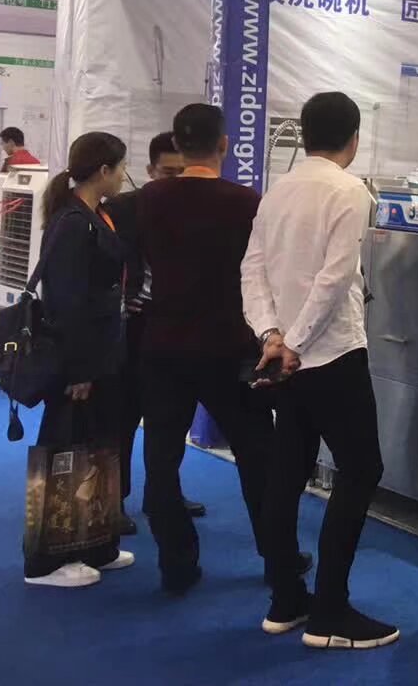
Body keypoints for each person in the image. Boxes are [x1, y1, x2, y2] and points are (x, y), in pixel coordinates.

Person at [243, 92, 397, 651]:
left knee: (288, 470)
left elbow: (252, 270)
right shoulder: (349, 190)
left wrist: (272, 335)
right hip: (332, 355)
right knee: (361, 470)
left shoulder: (277, 190)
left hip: (288, 359)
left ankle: (286, 597)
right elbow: (334, 279)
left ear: (304, 134)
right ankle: (330, 610)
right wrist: (296, 343)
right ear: (354, 139)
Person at [136, 104, 277, 595]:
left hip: (164, 345)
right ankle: (277, 557)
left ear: (176, 144)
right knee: (258, 458)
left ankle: (176, 561)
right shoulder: (246, 202)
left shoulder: (148, 199)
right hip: (229, 346)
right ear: (224, 144)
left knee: (161, 461)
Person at [24, 132, 135, 587]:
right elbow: (66, 302)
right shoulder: (72, 222)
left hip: (103, 356)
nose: (125, 176)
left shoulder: (94, 215)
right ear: (104, 170)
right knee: (62, 452)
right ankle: (44, 563)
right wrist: (79, 370)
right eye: (121, 167)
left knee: (98, 450)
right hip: (79, 361)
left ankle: (95, 543)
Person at [104, 132, 204, 535]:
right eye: (168, 172)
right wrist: (120, 302)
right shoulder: (123, 209)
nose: (176, 179)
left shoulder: (198, 210)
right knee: (124, 416)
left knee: (171, 419)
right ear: (150, 170)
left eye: (182, 171)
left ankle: (163, 494)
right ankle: (114, 500)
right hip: (133, 325)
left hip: (178, 326)